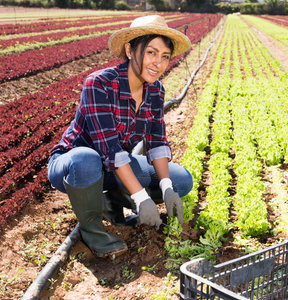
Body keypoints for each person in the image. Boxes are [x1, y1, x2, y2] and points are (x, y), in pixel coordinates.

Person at [47, 15, 193, 258]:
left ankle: (108, 203)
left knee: (181, 180)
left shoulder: (155, 90)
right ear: (129, 49)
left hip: (114, 166)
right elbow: (110, 150)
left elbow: (156, 142)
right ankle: (94, 233)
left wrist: (167, 187)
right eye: (150, 52)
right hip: (74, 166)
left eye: (164, 56)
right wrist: (140, 196)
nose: (158, 63)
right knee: (86, 158)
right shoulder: (99, 84)